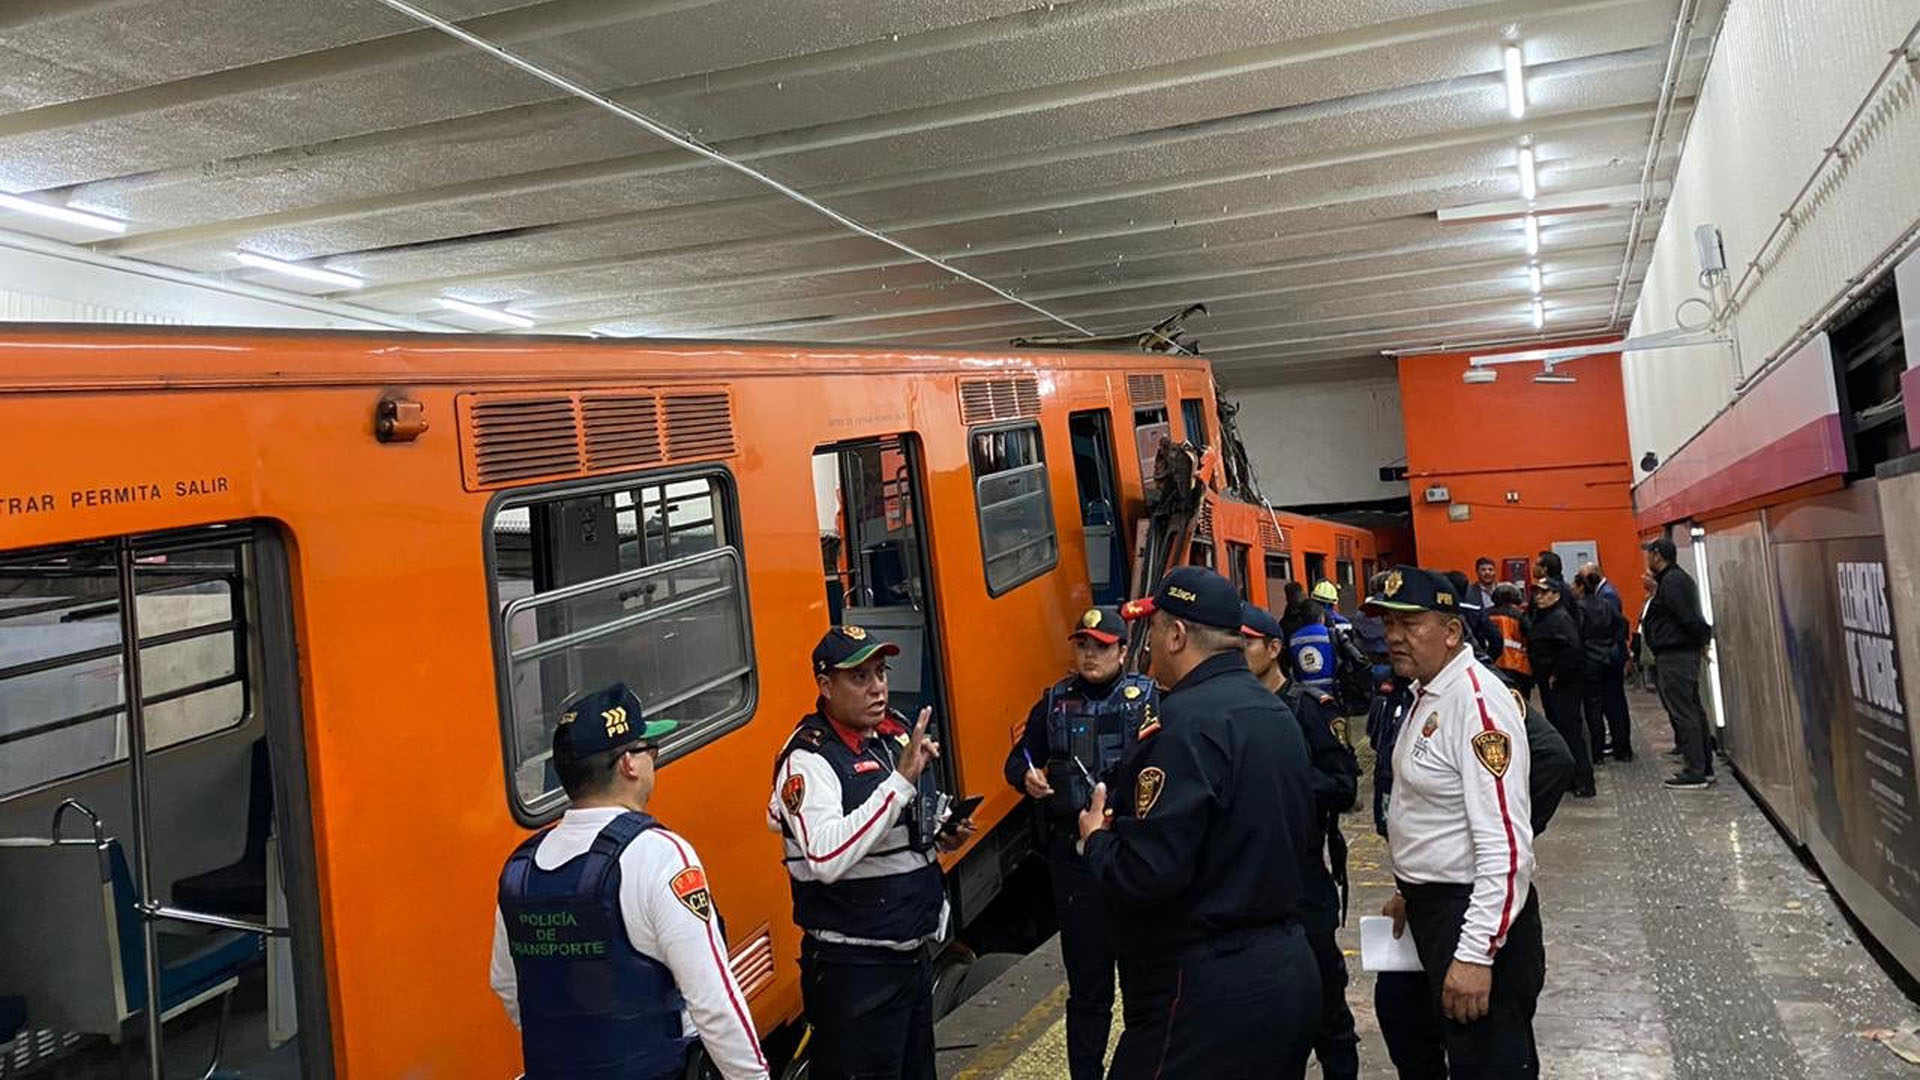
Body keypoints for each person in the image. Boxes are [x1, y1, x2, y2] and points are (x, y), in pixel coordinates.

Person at [1080, 567, 1324, 1079]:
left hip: (1205, 988)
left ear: (1177, 635)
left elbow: (1149, 873)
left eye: (1154, 631)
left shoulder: (1182, 726)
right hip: (1288, 968)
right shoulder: (1276, 713)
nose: (1147, 648)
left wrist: (1098, 842)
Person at [491, 683, 770, 1080]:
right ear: (628, 764)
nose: (653, 760)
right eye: (649, 750)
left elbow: (505, 983)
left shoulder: (519, 872)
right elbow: (713, 999)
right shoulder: (660, 855)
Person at [767, 627, 973, 1080]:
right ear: (825, 686)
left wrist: (943, 833)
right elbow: (824, 857)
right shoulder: (808, 759)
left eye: (880, 672)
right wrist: (898, 783)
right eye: (859, 677)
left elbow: (901, 824)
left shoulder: (895, 733)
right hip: (855, 971)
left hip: (912, 957)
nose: (877, 686)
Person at [1367, 567, 1544, 1079]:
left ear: (1450, 632)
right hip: (1430, 905)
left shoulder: (1478, 704)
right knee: (1408, 1030)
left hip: (1470, 917)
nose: (1394, 636)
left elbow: (1507, 847)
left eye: (1410, 623)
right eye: (1388, 623)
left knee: (1485, 1061)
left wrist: (1475, 955)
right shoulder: (1428, 691)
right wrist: (1413, 888)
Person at [1003, 608, 1159, 1080]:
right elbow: (1018, 759)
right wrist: (1026, 777)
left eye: (1102, 646)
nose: (1091, 654)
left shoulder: (1150, 701)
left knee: (1143, 989)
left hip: (1132, 859)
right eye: (1083, 645)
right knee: (1089, 991)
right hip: (1075, 868)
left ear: (1123, 651)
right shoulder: (1053, 703)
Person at [1242, 603, 1360, 1080]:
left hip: (1304, 879)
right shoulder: (1237, 711)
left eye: (1248, 643)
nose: (1239, 652)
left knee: (1325, 1004)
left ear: (1274, 650)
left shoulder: (1307, 708)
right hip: (1253, 883)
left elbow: (1344, 783)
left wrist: (1285, 781)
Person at [1641, 539, 1716, 789]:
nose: (1647, 560)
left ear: (1658, 556)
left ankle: (1695, 769)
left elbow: (1686, 617)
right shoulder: (1674, 580)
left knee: (1685, 711)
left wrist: (1700, 639)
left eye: (1649, 554)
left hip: (1676, 655)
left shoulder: (1672, 582)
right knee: (1692, 709)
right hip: (1680, 653)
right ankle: (1702, 765)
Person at [1525, 577, 1593, 799]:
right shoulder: (1544, 617)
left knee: (1571, 730)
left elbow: (1572, 649)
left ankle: (1584, 780)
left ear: (1556, 595)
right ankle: (1572, 777)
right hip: (1550, 682)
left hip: (1563, 684)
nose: (1539, 597)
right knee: (1560, 729)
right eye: (1537, 593)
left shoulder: (1559, 618)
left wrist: (1557, 674)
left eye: (1544, 593)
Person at [1574, 572, 1633, 763]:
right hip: (1610, 660)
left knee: (1593, 708)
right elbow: (1623, 624)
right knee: (1616, 705)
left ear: (1581, 586)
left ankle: (1597, 753)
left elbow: (1577, 635)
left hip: (1590, 662)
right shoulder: (1607, 604)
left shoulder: (1579, 608)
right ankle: (1623, 749)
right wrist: (1613, 645)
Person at [1285, 581, 1340, 698]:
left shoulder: (1293, 638)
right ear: (1321, 617)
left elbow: (1292, 666)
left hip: (1305, 692)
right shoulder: (1330, 633)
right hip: (1330, 689)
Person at [1486, 583, 1533, 703]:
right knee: (1520, 704)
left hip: (1492, 664)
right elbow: (1531, 639)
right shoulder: (1520, 616)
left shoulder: (1486, 614)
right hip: (1518, 667)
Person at [1446, 569, 1504, 664]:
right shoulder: (1475, 607)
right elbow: (1496, 639)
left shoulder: (1442, 610)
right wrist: (1486, 660)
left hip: (1451, 661)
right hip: (1474, 659)